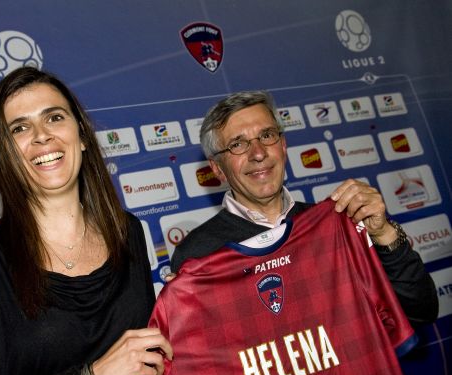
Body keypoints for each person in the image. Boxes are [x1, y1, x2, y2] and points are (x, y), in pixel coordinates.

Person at [0, 67, 187, 375]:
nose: (41, 136)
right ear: (5, 154)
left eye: (54, 117)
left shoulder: (127, 232)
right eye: (19, 128)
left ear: (82, 135)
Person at [170, 90, 438, 325]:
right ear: (217, 169)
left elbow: (420, 311)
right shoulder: (197, 255)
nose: (259, 153)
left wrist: (385, 237)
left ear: (283, 146)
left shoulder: (339, 224)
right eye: (238, 144)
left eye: (267, 135)